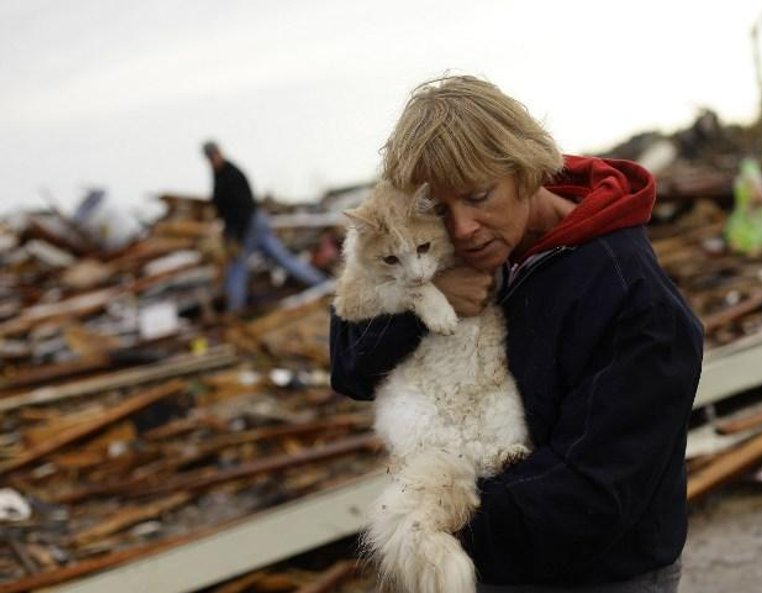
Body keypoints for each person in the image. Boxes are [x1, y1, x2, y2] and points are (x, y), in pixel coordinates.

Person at [330, 76, 704, 592]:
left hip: (603, 573)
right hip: (495, 557)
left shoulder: (631, 296)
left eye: (479, 196)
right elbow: (348, 364)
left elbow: (594, 492)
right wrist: (414, 311)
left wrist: (442, 527)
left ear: (526, 171)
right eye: (440, 209)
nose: (462, 229)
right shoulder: (443, 256)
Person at [202, 141, 328, 311]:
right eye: (210, 157)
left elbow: (242, 208)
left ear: (219, 153)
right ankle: (321, 283)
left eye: (214, 155)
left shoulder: (232, 174)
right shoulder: (218, 175)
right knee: (281, 258)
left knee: (238, 268)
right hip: (252, 223)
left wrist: (236, 237)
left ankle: (233, 311)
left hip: (249, 224)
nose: (213, 159)